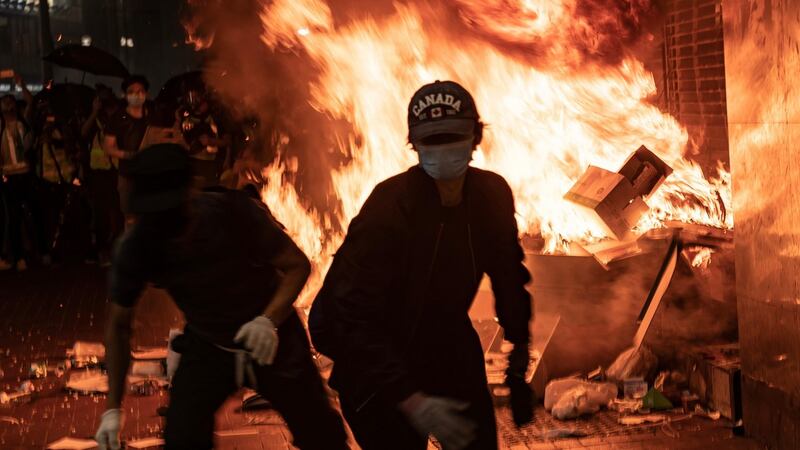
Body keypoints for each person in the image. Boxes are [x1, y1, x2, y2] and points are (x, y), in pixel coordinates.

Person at [309, 80, 535, 450]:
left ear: (476, 137)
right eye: (432, 141)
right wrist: (411, 400)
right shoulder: (390, 206)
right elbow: (351, 314)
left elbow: (509, 277)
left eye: (453, 137)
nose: (443, 150)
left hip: (447, 342)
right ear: (414, 144)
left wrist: (519, 352)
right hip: (375, 360)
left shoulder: (491, 196)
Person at [94, 141, 347, 449]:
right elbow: (119, 326)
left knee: (322, 436)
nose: (168, 228)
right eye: (155, 216)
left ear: (190, 195)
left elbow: (296, 266)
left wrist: (268, 321)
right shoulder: (138, 246)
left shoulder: (233, 213)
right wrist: (112, 409)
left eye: (173, 214)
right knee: (183, 438)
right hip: (209, 341)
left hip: (270, 338)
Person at [0, 75, 43, 270]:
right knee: (14, 217)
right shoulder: (1, 127)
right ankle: (17, 256)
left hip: (26, 174)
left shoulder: (23, 122)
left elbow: (31, 101)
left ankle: (39, 252)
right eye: (4, 102)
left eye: (10, 101)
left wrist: (22, 85)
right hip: (9, 177)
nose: (8, 105)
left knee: (35, 213)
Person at [81, 85, 123, 264]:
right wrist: (94, 112)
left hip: (116, 170)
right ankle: (101, 250)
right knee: (100, 213)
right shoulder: (94, 118)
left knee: (119, 211)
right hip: (98, 172)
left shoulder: (119, 115)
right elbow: (83, 133)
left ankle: (119, 248)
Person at [104, 75, 150, 213]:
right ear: (125, 95)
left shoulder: (153, 115)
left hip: (150, 174)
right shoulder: (117, 119)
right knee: (130, 216)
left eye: (140, 91)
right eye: (132, 91)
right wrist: (128, 155)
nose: (137, 95)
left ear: (146, 94)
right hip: (127, 175)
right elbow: (108, 147)